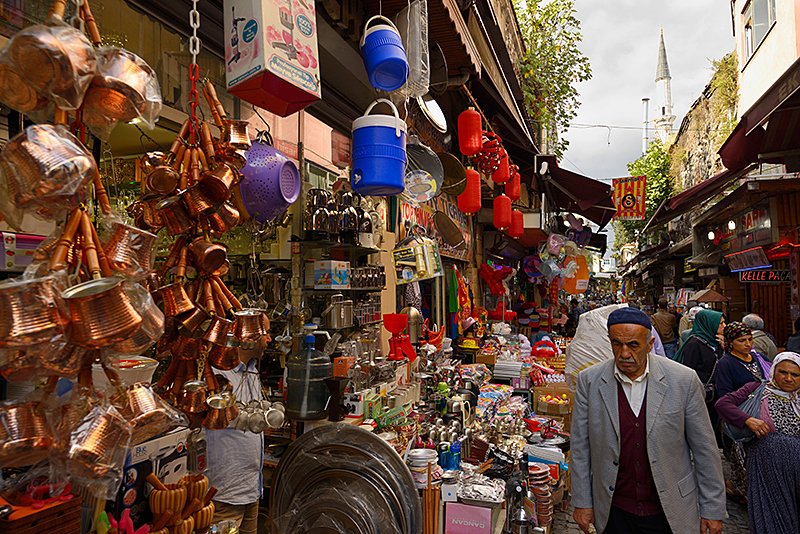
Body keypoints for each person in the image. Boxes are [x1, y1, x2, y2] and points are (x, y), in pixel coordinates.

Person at [571, 307, 726, 534]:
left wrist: (712, 509)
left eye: (633, 345)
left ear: (650, 343)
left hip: (669, 510)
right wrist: (583, 501)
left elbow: (705, 450)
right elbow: (580, 448)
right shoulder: (590, 381)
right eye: (617, 344)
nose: (624, 353)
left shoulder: (683, 380)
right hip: (614, 510)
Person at [715, 352, 800, 534]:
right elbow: (722, 404)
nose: (788, 378)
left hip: (796, 471)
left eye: (795, 375)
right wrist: (747, 420)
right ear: (773, 371)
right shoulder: (757, 389)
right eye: (783, 372)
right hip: (765, 467)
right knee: (770, 515)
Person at [207, 319, 272, 534]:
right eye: (267, 333)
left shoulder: (251, 371)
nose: (270, 340)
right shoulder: (219, 375)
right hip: (224, 494)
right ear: (250, 336)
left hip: (251, 490)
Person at [713, 322, 772, 504]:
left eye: (749, 339)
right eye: (741, 340)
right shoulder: (726, 364)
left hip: (764, 417)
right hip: (742, 420)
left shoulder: (758, 357)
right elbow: (723, 397)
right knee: (744, 468)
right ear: (731, 343)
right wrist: (745, 418)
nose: (747, 344)